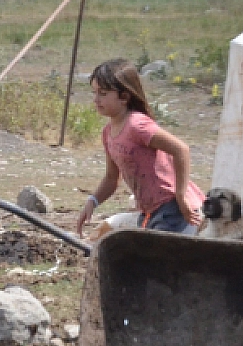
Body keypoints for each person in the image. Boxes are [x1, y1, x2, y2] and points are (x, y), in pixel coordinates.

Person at [75, 58, 205, 237]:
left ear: (124, 97)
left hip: (173, 207)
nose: (95, 100)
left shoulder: (137, 125)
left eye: (103, 94)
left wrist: (181, 196)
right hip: (151, 211)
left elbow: (181, 149)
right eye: (94, 92)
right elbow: (112, 178)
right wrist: (93, 201)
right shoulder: (108, 133)